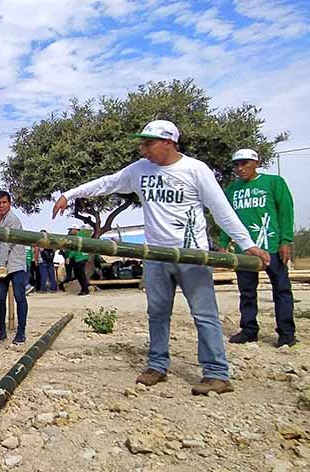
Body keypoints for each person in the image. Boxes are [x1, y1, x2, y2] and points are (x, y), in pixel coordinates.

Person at [53, 120, 270, 396]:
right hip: (154, 254)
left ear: (168, 142)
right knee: (157, 313)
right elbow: (108, 183)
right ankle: (157, 365)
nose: (143, 149)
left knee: (204, 314)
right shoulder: (139, 170)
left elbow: (221, 210)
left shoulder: (195, 170)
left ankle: (216, 373)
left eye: (148, 143)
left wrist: (247, 245)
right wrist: (69, 195)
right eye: (142, 144)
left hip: (193, 255)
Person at [219, 149, 297, 347]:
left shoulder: (273, 182)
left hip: (271, 245)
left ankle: (286, 333)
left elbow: (285, 210)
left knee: (281, 289)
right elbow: (227, 219)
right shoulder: (231, 190)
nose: (240, 168)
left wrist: (286, 240)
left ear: (256, 162)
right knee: (246, 291)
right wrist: (223, 243)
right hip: (245, 250)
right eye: (236, 164)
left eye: (244, 163)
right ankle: (249, 330)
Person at [0, 191, 29, 344]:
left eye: (4, 202)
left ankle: (21, 332)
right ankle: (1, 331)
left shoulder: (13, 220)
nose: (2, 205)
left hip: (15, 263)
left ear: (9, 203)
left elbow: (7, 244)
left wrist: (1, 264)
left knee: (20, 297)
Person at [67, 226, 92, 296]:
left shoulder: (77, 238)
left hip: (79, 258)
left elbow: (74, 249)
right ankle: (84, 289)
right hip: (84, 257)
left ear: (75, 229)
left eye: (71, 229)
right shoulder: (84, 236)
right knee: (81, 274)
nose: (70, 232)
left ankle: (85, 290)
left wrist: (69, 257)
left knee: (80, 275)